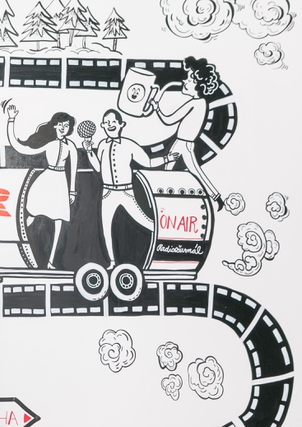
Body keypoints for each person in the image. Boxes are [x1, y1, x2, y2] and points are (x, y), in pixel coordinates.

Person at [84, 109, 178, 268]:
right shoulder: (102, 145)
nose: (110, 125)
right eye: (107, 122)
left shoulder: (129, 145)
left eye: (113, 122)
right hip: (107, 193)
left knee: (146, 222)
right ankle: (112, 263)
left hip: (126, 192)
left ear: (121, 124)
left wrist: (166, 158)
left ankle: (168, 245)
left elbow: (148, 163)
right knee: (106, 228)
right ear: (103, 125)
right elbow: (98, 168)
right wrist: (88, 151)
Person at [6, 105, 78, 269]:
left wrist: (72, 190)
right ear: (55, 126)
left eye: (66, 125)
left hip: (60, 183)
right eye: (60, 125)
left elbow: (73, 169)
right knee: (30, 213)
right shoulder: (49, 144)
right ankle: (18, 243)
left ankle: (51, 261)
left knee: (59, 221)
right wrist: (11, 120)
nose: (63, 128)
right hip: (46, 180)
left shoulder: (71, 146)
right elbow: (20, 148)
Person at [154, 56, 224, 211]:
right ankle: (216, 197)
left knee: (175, 172)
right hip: (183, 143)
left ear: (199, 84)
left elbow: (169, 120)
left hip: (184, 144)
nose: (185, 81)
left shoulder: (195, 103)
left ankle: (164, 202)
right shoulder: (201, 103)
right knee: (179, 171)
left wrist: (157, 108)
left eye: (190, 79)